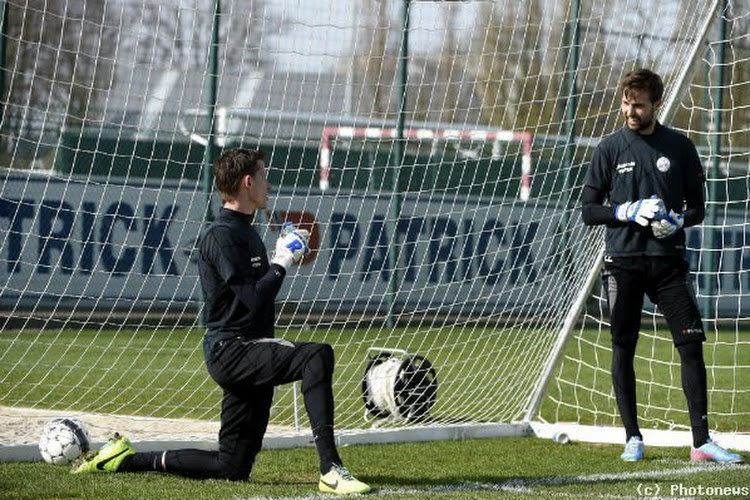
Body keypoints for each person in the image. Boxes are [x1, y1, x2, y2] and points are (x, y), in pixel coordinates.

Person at [73, 148, 371, 495]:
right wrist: (282, 260)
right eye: (263, 176)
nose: (268, 184)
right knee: (317, 355)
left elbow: (257, 294)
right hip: (233, 350)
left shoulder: (246, 231)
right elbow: (253, 297)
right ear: (248, 182)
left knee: (231, 468)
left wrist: (280, 256)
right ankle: (330, 468)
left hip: (250, 350)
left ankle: (123, 459)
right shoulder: (221, 235)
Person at [581, 69, 743, 463]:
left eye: (638, 105)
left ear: (656, 104)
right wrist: (625, 210)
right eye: (625, 103)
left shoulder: (681, 147)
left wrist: (678, 220)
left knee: (690, 345)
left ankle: (701, 442)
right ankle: (633, 438)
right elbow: (588, 210)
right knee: (623, 346)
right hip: (623, 262)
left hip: (669, 263)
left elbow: (699, 208)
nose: (630, 111)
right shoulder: (609, 148)